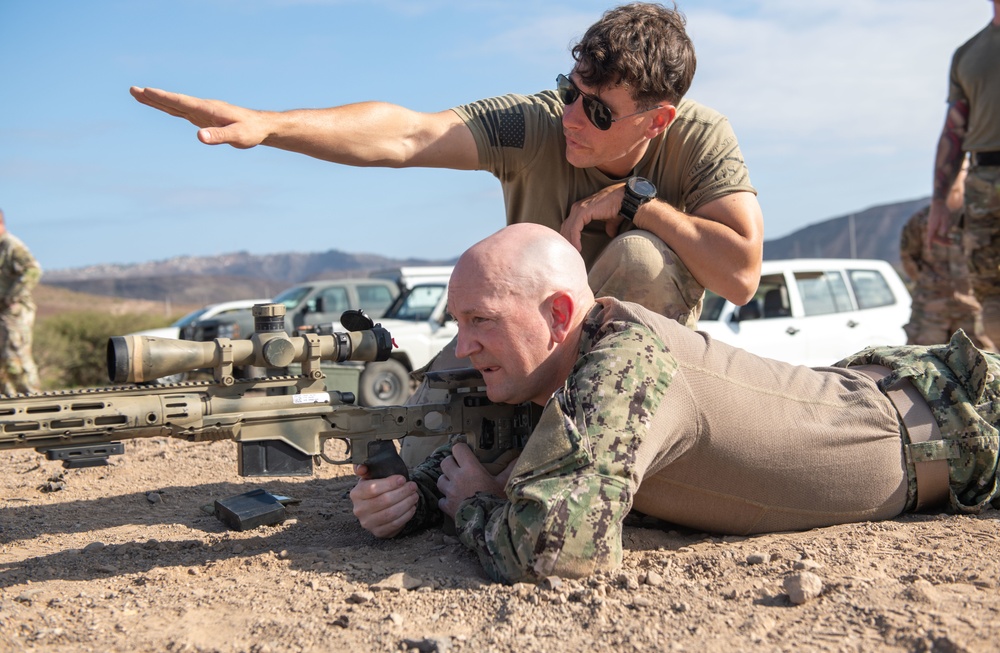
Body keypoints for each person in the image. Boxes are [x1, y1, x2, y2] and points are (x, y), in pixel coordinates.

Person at [350, 223, 1000, 585]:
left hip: (962, 423)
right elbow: (504, 463)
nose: (462, 344)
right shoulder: (556, 369)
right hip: (901, 398)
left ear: (557, 314)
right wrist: (407, 502)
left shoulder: (621, 364)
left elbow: (553, 547)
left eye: (480, 320)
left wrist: (473, 507)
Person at [130, 2, 763, 328]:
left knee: (641, 258)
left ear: (657, 121)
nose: (572, 116)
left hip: (634, 366)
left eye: (599, 112)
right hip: (530, 341)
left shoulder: (701, 139)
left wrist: (638, 208)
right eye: (572, 92)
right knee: (416, 439)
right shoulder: (536, 123)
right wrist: (271, 126)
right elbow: (408, 134)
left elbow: (740, 276)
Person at [927, 0, 1000, 346]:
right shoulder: (968, 54)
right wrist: (940, 201)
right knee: (991, 300)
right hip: (983, 184)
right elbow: (954, 132)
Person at [900, 162, 994, 350]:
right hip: (930, 316)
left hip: (974, 314)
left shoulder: (981, 219)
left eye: (960, 169)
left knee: (982, 373)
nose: (953, 175)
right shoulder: (921, 220)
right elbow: (909, 256)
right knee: (921, 369)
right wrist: (932, 283)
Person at [0, 209, 42, 395]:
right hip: (2, 311)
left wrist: (13, 296)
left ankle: (33, 402)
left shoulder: (11, 245)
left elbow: (33, 269)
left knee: (16, 356)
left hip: (14, 312)